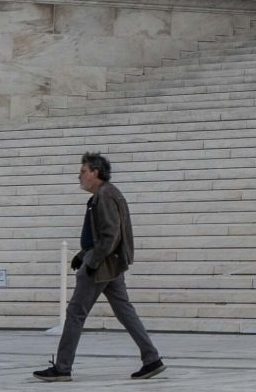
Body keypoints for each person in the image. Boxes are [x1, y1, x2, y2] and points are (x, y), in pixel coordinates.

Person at [36, 153, 163, 381]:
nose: (79, 176)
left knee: (75, 313)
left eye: (83, 171)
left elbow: (109, 235)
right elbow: (101, 236)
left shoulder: (105, 195)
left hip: (101, 265)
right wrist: (82, 253)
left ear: (95, 172)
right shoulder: (107, 193)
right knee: (124, 311)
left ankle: (63, 368)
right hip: (110, 264)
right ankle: (152, 358)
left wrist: (92, 261)